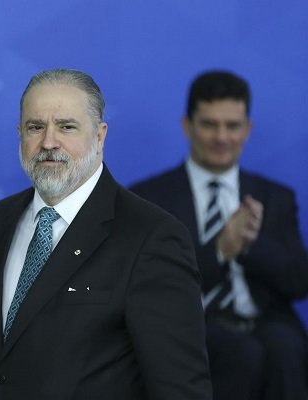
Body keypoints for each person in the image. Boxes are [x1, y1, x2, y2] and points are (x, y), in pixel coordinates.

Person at [0, 68, 212, 399]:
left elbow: (180, 388)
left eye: (66, 127)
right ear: (20, 134)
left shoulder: (151, 237)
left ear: (100, 135)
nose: (48, 142)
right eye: (35, 127)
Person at [130, 70, 308, 400]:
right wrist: (220, 250)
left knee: (286, 349)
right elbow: (152, 284)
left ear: (248, 129)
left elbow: (298, 282)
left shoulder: (275, 197)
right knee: (242, 353)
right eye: (210, 125)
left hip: (265, 321)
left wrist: (251, 244)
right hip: (192, 323)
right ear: (187, 126)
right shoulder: (149, 198)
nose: (222, 137)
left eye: (233, 126)